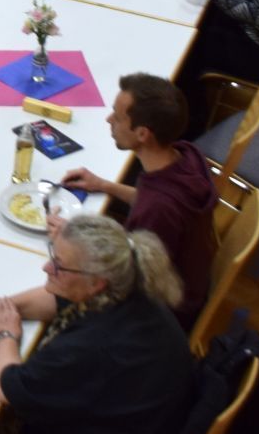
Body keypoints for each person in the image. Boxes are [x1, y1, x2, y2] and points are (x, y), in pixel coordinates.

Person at [0, 216, 195, 434]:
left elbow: (9, 387)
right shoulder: (126, 287)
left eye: (59, 266)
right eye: (53, 255)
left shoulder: (91, 346)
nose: (46, 267)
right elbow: (55, 298)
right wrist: (4, 307)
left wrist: (6, 334)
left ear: (95, 283)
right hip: (147, 431)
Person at [62, 75, 219, 329]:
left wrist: (70, 237)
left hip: (163, 313)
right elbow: (153, 199)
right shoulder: (186, 156)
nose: (109, 120)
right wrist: (105, 186)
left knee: (62, 280)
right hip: (190, 282)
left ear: (143, 133)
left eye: (117, 116)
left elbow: (126, 279)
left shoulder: (157, 210)